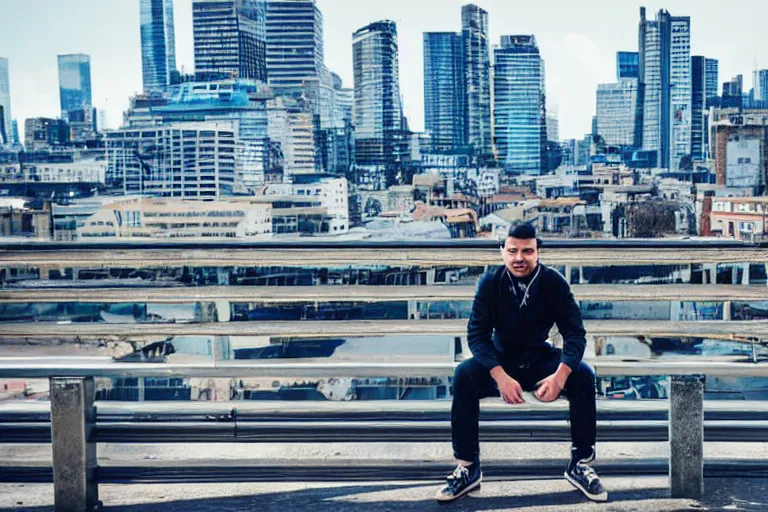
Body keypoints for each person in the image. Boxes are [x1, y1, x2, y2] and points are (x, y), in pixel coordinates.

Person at [435, 224, 607, 503]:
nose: (519, 257)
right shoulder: (490, 282)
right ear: (502, 252)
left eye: (527, 251)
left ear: (538, 252)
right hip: (501, 361)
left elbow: (574, 333)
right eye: (512, 250)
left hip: (540, 359)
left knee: (584, 374)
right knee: (464, 374)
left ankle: (581, 463)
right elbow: (476, 336)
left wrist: (559, 377)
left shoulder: (554, 282)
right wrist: (499, 376)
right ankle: (468, 468)